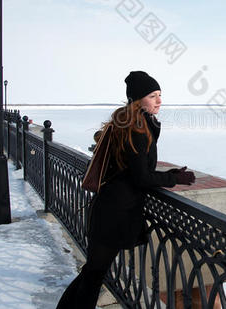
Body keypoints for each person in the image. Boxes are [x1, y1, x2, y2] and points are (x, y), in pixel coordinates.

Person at [56, 71, 195, 309]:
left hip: (109, 208)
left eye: (160, 95)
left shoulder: (129, 123)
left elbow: (131, 168)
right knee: (93, 275)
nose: (159, 100)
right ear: (138, 100)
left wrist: (169, 175)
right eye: (153, 96)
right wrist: (174, 178)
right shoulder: (136, 129)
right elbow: (141, 176)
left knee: (92, 273)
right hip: (115, 213)